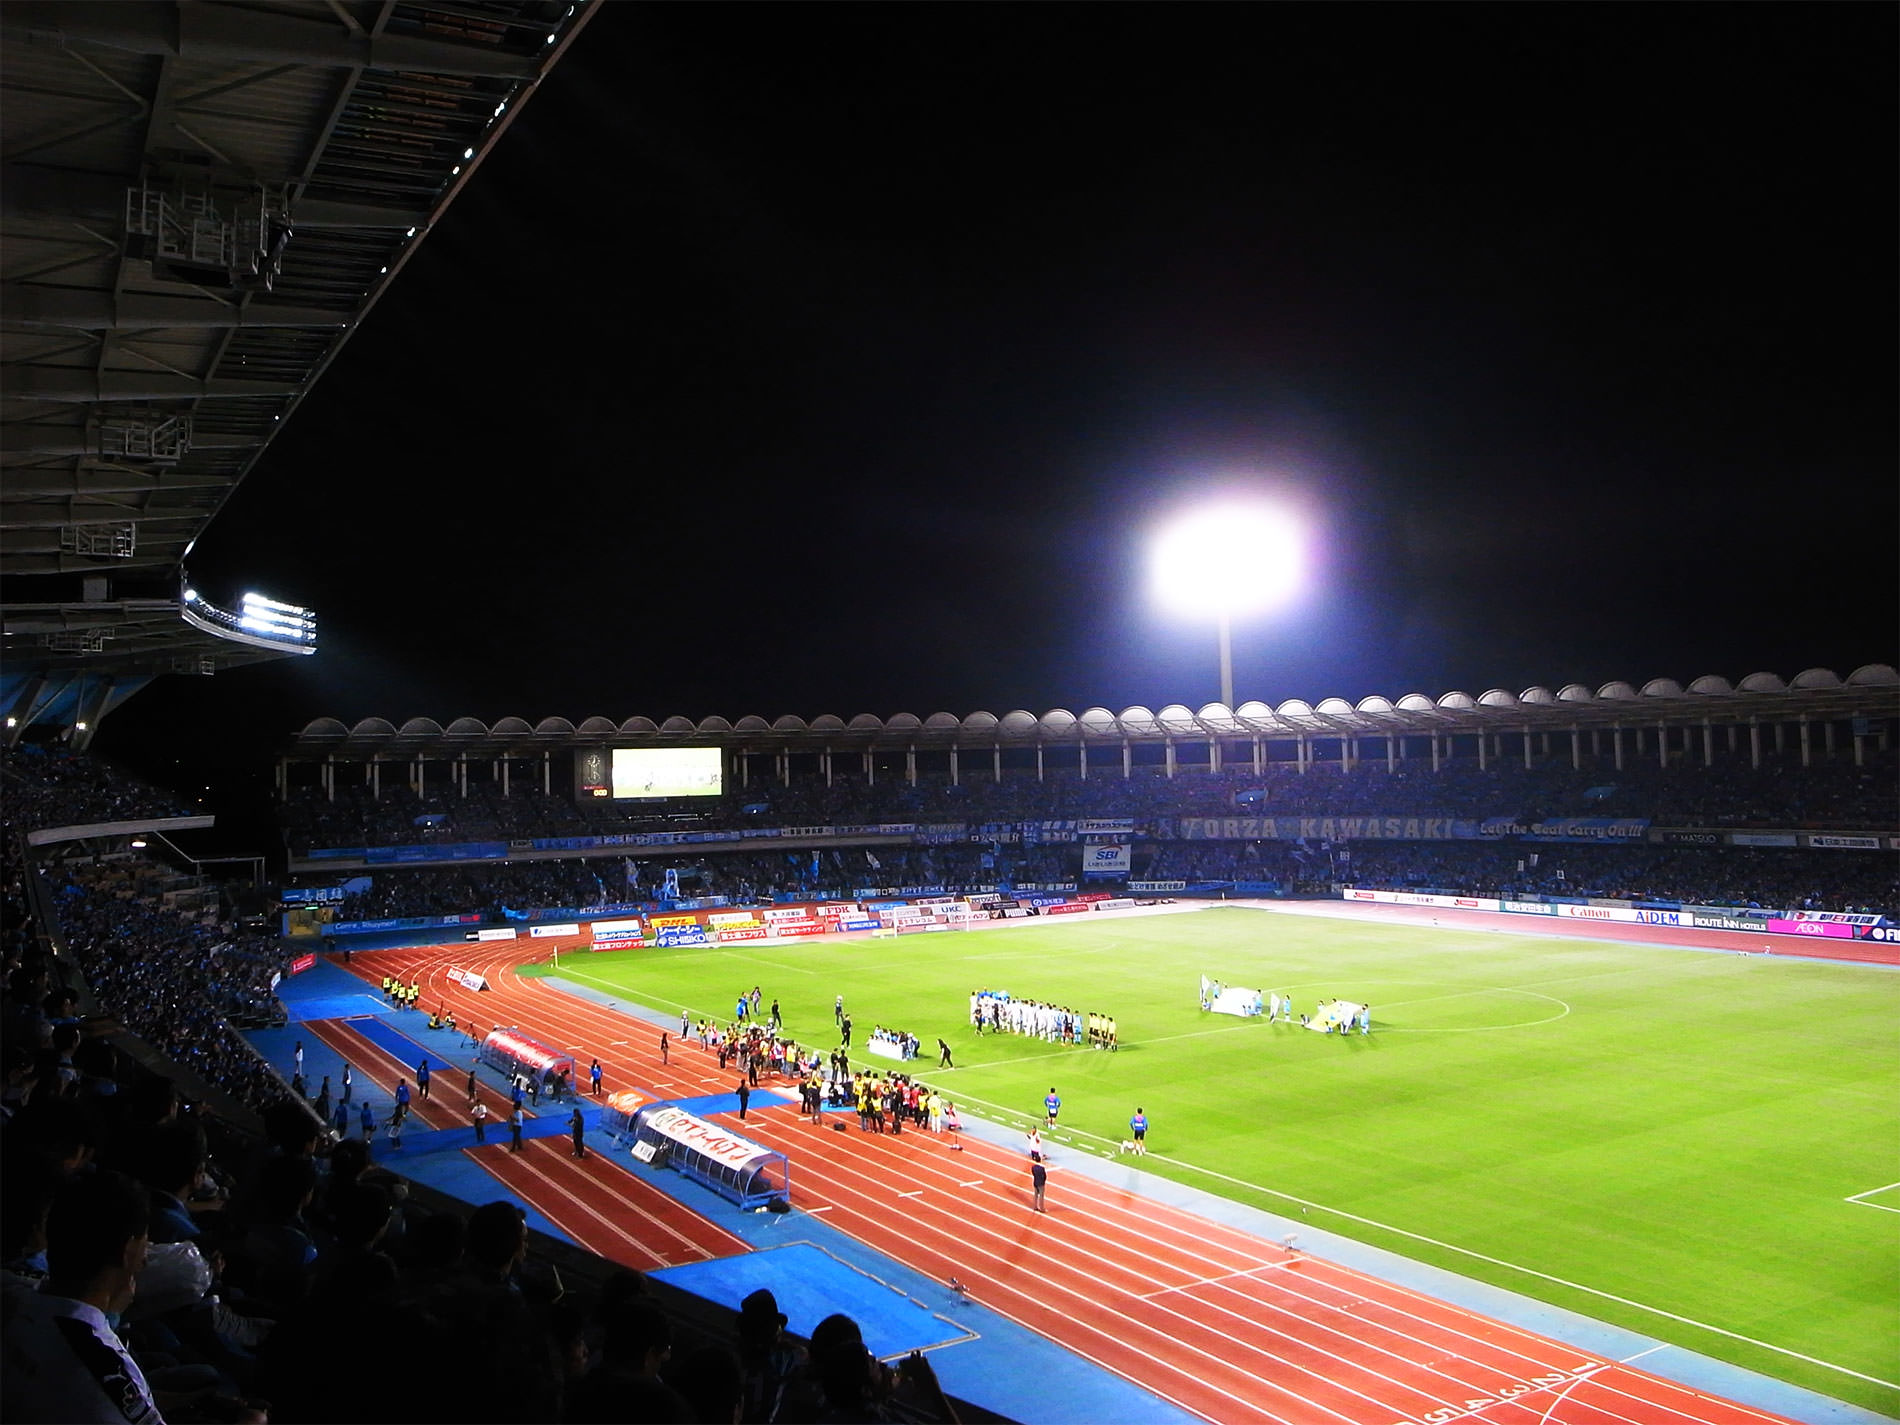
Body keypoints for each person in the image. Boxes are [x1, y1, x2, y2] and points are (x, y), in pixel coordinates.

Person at [0, 1171, 166, 1425]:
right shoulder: (104, 1373)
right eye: (145, 1240)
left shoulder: (12, 1297)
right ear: (128, 1250)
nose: (145, 1255)